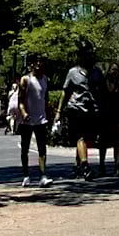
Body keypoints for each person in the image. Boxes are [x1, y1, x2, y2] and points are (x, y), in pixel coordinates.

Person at [58, 47, 101, 180]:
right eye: (85, 55)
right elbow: (66, 92)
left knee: (86, 139)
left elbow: (101, 90)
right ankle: (85, 166)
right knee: (80, 137)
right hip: (76, 108)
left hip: (92, 109)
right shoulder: (73, 72)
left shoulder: (96, 72)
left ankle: (77, 166)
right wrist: (59, 111)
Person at [18, 57, 53, 188]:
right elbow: (20, 100)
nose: (39, 68)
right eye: (37, 65)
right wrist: (24, 113)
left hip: (41, 119)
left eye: (41, 66)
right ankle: (26, 175)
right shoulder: (26, 80)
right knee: (25, 148)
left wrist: (49, 115)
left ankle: (43, 175)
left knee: (42, 148)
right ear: (32, 66)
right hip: (27, 120)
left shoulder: (44, 79)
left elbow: (46, 98)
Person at [98, 65, 119, 177]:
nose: (115, 72)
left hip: (118, 114)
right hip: (106, 114)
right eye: (113, 70)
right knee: (103, 142)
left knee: (117, 142)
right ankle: (101, 165)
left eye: (116, 70)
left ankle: (117, 165)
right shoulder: (104, 84)